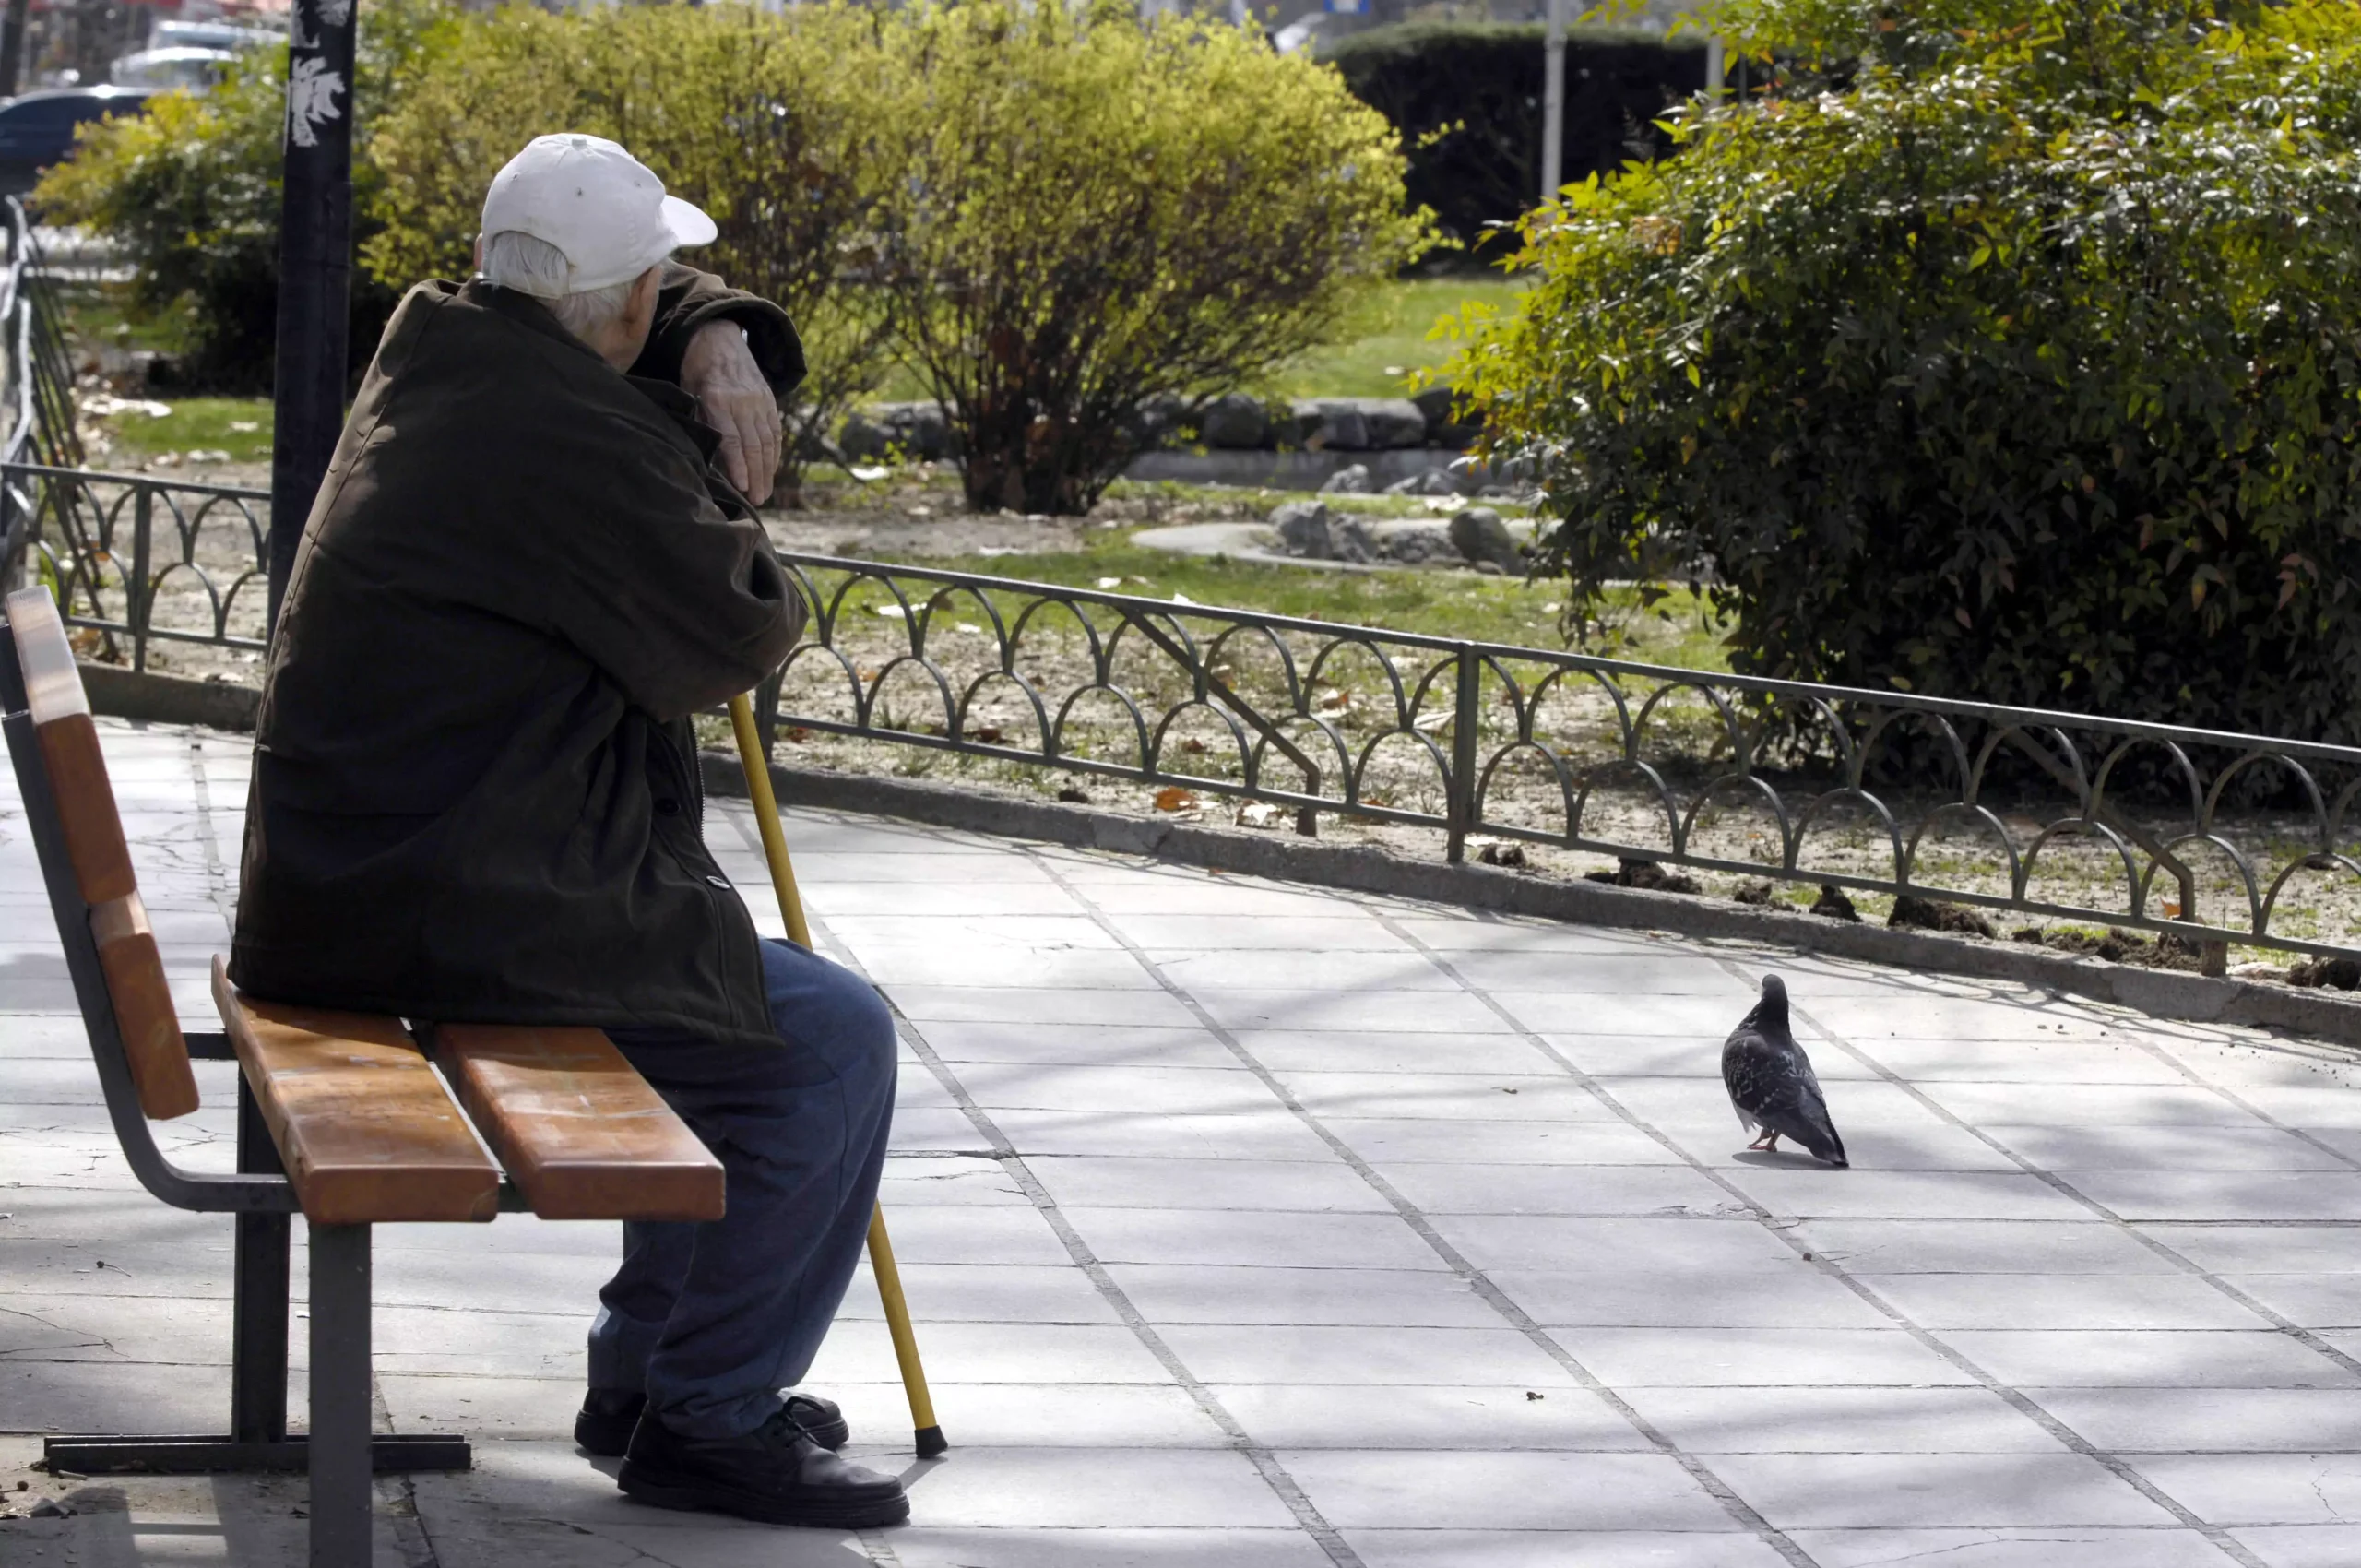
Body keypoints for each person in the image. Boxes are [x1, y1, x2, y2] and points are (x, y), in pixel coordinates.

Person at [228, 134, 908, 1531]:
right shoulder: (559, 441)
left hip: (386, 875)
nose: (671, 299)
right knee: (828, 1044)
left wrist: (713, 337)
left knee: (712, 994)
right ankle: (706, 1417)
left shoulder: (457, 353)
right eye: (664, 285)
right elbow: (738, 626)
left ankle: (650, 1376)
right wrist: (710, 435)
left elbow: (632, 313)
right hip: (439, 905)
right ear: (620, 307)